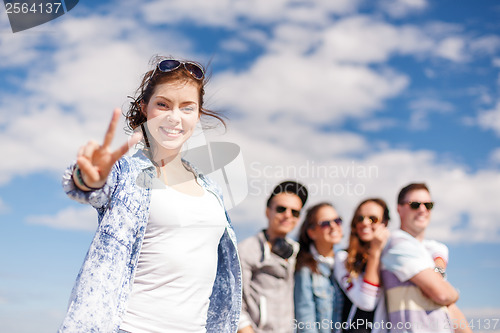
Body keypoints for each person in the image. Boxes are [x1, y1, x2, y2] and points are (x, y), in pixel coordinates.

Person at [58, 56, 241, 333]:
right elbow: (91, 188)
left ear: (198, 114)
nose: (174, 117)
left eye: (187, 107)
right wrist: (88, 178)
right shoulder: (126, 173)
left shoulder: (211, 190)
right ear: (145, 108)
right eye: (163, 104)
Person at [381, 183, 460, 333]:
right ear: (399, 209)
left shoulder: (428, 248)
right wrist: (454, 294)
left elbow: (440, 249)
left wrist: (438, 270)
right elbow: (443, 295)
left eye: (428, 205)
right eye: (415, 205)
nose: (423, 210)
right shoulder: (398, 244)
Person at [238, 180, 308, 333]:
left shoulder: (298, 251)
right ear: (267, 211)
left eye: (294, 212)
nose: (287, 215)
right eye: (281, 209)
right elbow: (233, 301)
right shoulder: (246, 249)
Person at [334, 198, 390, 333]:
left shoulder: (390, 256)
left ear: (385, 224)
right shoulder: (343, 258)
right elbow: (367, 302)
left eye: (373, 219)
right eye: (360, 218)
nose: (365, 223)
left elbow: (435, 248)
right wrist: (375, 252)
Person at [294, 202, 344, 333]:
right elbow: (305, 322)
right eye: (325, 223)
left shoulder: (345, 264)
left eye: (337, 221)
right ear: (312, 232)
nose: (333, 226)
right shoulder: (305, 269)